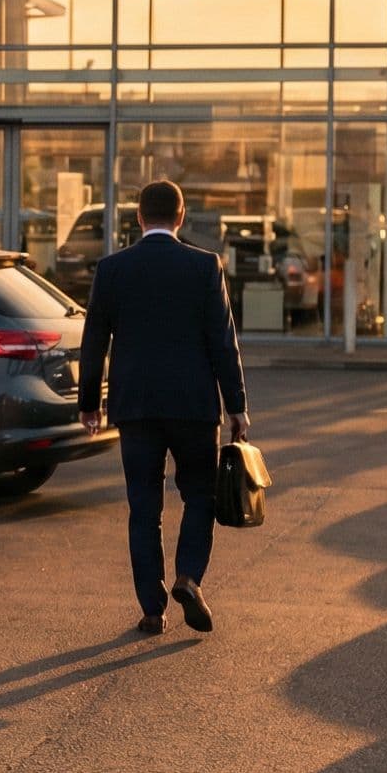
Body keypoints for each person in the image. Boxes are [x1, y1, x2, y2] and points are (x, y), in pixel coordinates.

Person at [76, 180, 249, 636]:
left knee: (144, 508)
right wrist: (237, 406)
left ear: (138, 217)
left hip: (136, 408)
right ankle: (189, 577)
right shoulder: (204, 266)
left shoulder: (112, 269)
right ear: (181, 216)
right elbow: (223, 342)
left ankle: (152, 608)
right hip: (194, 407)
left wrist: (89, 404)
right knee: (199, 497)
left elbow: (93, 341)